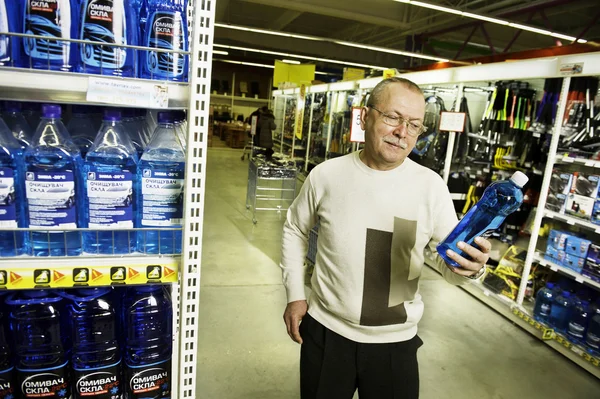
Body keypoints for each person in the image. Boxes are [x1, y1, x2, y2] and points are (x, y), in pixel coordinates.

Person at [280, 77, 490, 399]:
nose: (402, 132)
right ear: (365, 117)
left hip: (395, 344)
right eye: (393, 117)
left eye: (414, 125)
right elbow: (295, 228)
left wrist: (472, 268)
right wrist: (295, 294)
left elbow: (451, 267)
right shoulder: (326, 175)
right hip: (327, 334)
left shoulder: (430, 187)